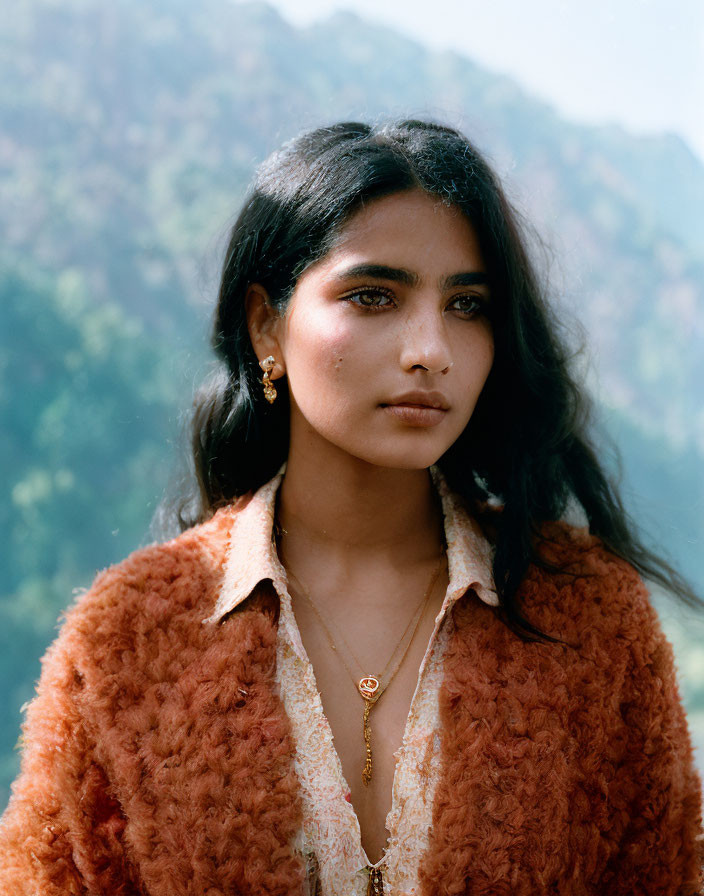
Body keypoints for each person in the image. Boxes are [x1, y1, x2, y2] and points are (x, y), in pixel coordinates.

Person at [1, 119, 702, 896]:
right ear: (266, 323)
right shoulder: (122, 639)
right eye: (373, 296)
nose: (430, 348)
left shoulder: (589, 617)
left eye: (467, 306)